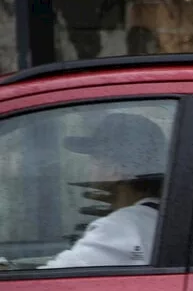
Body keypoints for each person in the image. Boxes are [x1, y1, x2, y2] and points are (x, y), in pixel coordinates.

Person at [41, 112, 168, 269]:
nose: (89, 167)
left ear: (114, 169)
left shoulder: (120, 227)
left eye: (94, 159)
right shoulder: (156, 218)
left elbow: (49, 282)